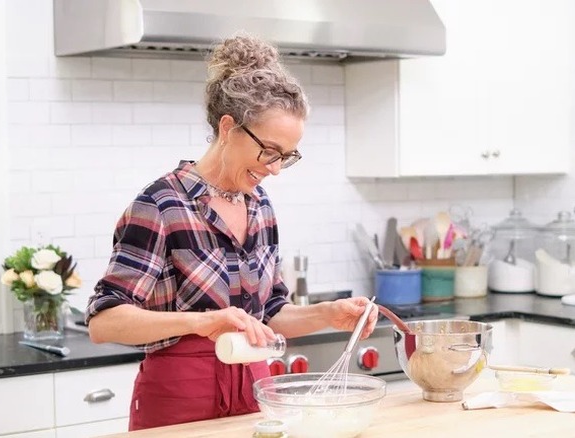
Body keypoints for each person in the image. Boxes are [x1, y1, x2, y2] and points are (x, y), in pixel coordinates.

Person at [86, 33, 379, 431]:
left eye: (287, 157)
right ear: (228, 128)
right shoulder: (161, 205)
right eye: (269, 151)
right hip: (178, 402)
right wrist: (199, 323)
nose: (275, 168)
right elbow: (105, 322)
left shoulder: (259, 207)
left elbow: (272, 314)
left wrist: (327, 314)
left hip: (256, 395)